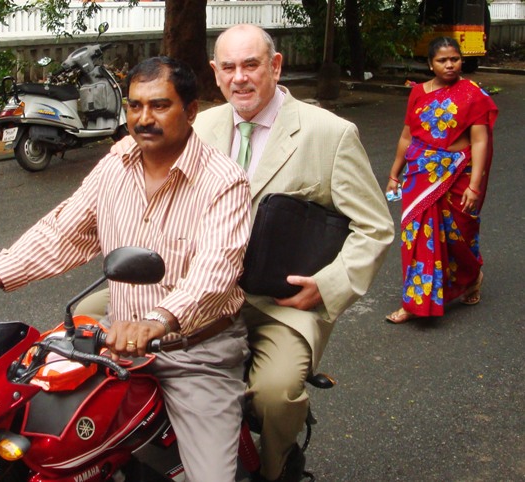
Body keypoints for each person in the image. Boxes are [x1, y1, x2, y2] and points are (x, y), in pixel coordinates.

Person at [0, 56, 252, 482]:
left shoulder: (224, 181)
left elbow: (213, 274)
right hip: (114, 344)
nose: (143, 118)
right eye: (135, 106)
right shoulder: (117, 163)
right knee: (32, 429)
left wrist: (155, 321)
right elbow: (62, 231)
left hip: (193, 353)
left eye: (160, 106)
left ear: (191, 111)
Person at [100, 24, 394, 482]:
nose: (240, 78)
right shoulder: (199, 123)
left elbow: (374, 227)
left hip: (278, 302)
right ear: (215, 74)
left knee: (275, 392)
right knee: (83, 322)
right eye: (229, 68)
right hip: (191, 286)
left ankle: (278, 466)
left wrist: (329, 284)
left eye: (251, 65)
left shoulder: (329, 134)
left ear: (275, 67)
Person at [385, 37, 498, 324]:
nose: (450, 65)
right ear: (430, 64)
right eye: (442, 60)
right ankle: (415, 302)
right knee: (417, 237)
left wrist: (475, 185)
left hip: (457, 175)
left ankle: (471, 277)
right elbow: (407, 136)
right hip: (419, 176)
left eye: (455, 59)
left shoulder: (473, 95)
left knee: (459, 235)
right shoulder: (419, 93)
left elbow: (481, 141)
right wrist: (394, 174)